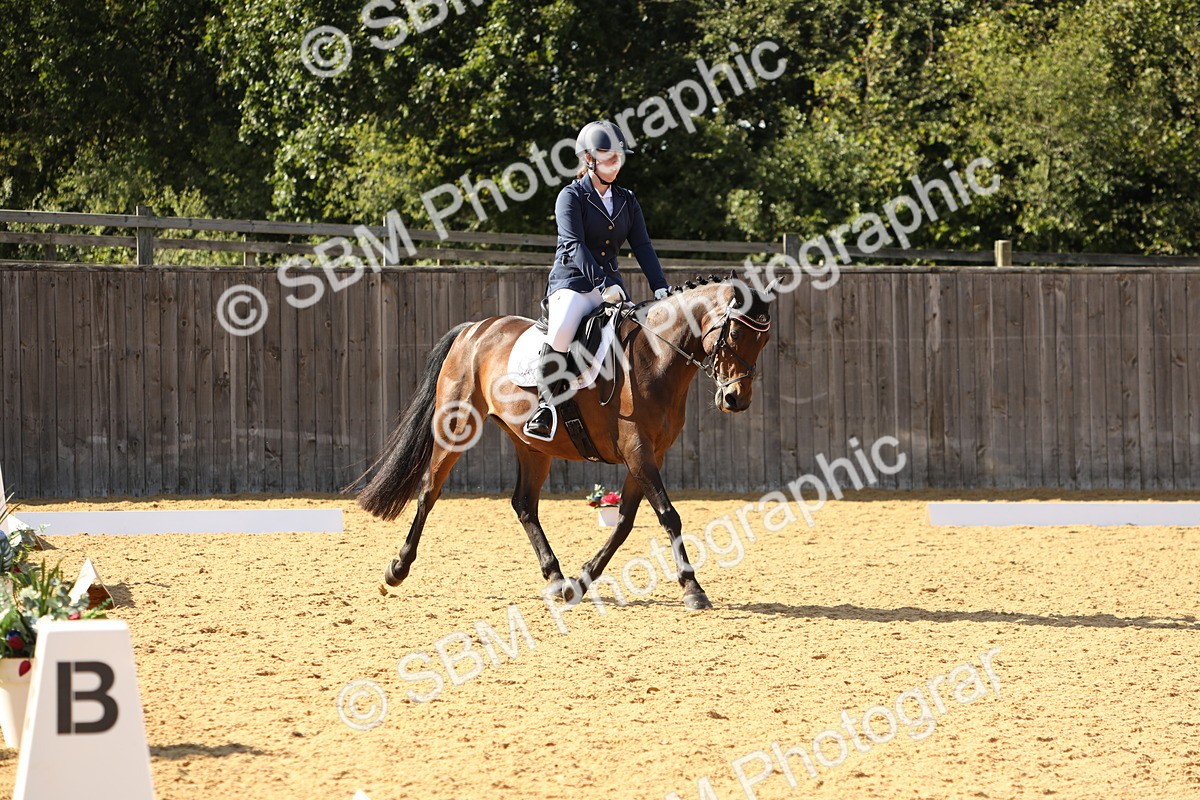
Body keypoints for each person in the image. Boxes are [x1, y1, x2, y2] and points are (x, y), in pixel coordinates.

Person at [523, 120, 672, 440]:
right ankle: (544, 407)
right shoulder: (570, 196)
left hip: (611, 286)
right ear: (588, 158)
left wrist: (659, 285)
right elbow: (574, 246)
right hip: (573, 283)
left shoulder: (627, 200)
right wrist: (603, 284)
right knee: (562, 328)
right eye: (608, 156)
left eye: (619, 157)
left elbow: (643, 246)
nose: (615, 163)